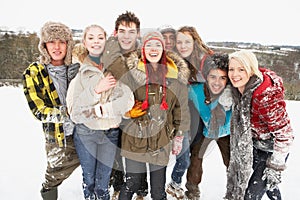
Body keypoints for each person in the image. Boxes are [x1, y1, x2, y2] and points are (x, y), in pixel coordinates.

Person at [104, 30, 190, 200]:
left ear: (163, 49)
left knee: (158, 191)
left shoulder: (175, 79)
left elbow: (181, 111)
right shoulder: (132, 73)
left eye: (157, 44)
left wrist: (179, 136)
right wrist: (113, 40)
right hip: (134, 140)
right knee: (132, 183)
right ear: (143, 49)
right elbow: (113, 61)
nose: (153, 48)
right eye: (149, 44)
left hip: (161, 142)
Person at [66, 24, 134, 200]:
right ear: (84, 42)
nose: (96, 42)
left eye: (100, 37)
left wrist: (102, 109)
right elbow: (75, 113)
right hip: (86, 134)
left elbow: (128, 101)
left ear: (106, 41)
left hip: (110, 134)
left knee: (103, 184)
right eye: (91, 38)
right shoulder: (80, 74)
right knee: (89, 180)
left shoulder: (116, 69)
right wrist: (96, 90)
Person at [224, 50, 294, 200]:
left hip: (272, 150)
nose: (234, 74)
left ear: (251, 70)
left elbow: (285, 134)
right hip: (256, 146)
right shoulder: (238, 92)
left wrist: (275, 166)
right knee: (268, 185)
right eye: (231, 69)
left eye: (241, 69)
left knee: (251, 194)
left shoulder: (264, 98)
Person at [22, 21, 80, 200]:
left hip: (84, 131)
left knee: (102, 164)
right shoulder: (34, 72)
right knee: (54, 174)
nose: (56, 47)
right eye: (51, 42)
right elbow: (39, 110)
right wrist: (67, 113)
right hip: (58, 136)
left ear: (68, 44)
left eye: (61, 42)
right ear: (44, 45)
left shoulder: (77, 67)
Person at [103, 11, 148, 200]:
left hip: (136, 111)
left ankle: (141, 189)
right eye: (122, 31)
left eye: (131, 32)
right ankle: (117, 186)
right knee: (114, 153)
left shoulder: (143, 53)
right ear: (115, 32)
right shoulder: (107, 52)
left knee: (135, 154)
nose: (126, 36)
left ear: (138, 33)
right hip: (114, 111)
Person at [165, 25, 214, 199]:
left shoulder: (205, 59)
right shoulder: (176, 60)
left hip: (204, 113)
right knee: (185, 153)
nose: (183, 45)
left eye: (187, 41)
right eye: (179, 42)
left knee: (195, 153)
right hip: (184, 113)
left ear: (195, 41)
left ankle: (188, 187)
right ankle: (176, 183)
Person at [186, 53, 232, 200]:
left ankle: (233, 191)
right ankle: (192, 191)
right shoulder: (196, 90)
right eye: (213, 77)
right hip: (206, 130)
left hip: (227, 132)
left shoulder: (232, 92)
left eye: (222, 78)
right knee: (195, 159)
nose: (217, 82)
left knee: (231, 161)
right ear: (206, 76)